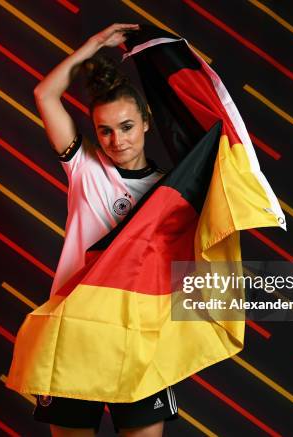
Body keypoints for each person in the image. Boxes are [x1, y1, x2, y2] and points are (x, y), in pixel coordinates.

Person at [31, 23, 178, 437]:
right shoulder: (85, 169)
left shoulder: (172, 191)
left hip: (137, 337)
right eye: (105, 131)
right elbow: (45, 94)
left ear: (146, 122)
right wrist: (93, 46)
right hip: (75, 331)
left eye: (127, 126)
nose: (117, 140)